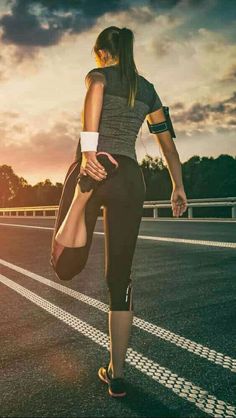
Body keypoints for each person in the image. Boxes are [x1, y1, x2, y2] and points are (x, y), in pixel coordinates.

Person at [74, 26, 188, 397]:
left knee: (64, 260)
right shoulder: (147, 90)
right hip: (129, 180)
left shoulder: (99, 75)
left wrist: (89, 153)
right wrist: (178, 186)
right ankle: (117, 374)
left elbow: (95, 91)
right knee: (118, 280)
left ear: (103, 52)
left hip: (94, 171)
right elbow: (168, 146)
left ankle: (78, 201)